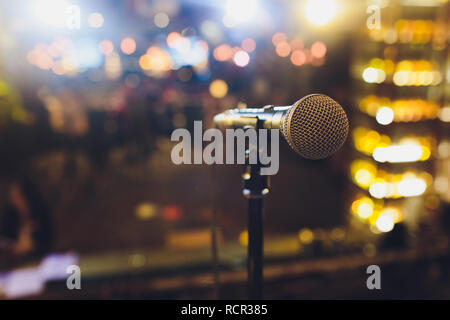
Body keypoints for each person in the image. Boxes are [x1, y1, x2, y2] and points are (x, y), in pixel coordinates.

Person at [0, 179, 53, 257]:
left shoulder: (40, 214)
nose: (15, 201)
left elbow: (47, 241)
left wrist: (32, 246)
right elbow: (4, 238)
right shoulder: (10, 215)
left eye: (18, 197)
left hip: (37, 258)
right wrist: (14, 246)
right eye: (13, 197)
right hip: (14, 260)